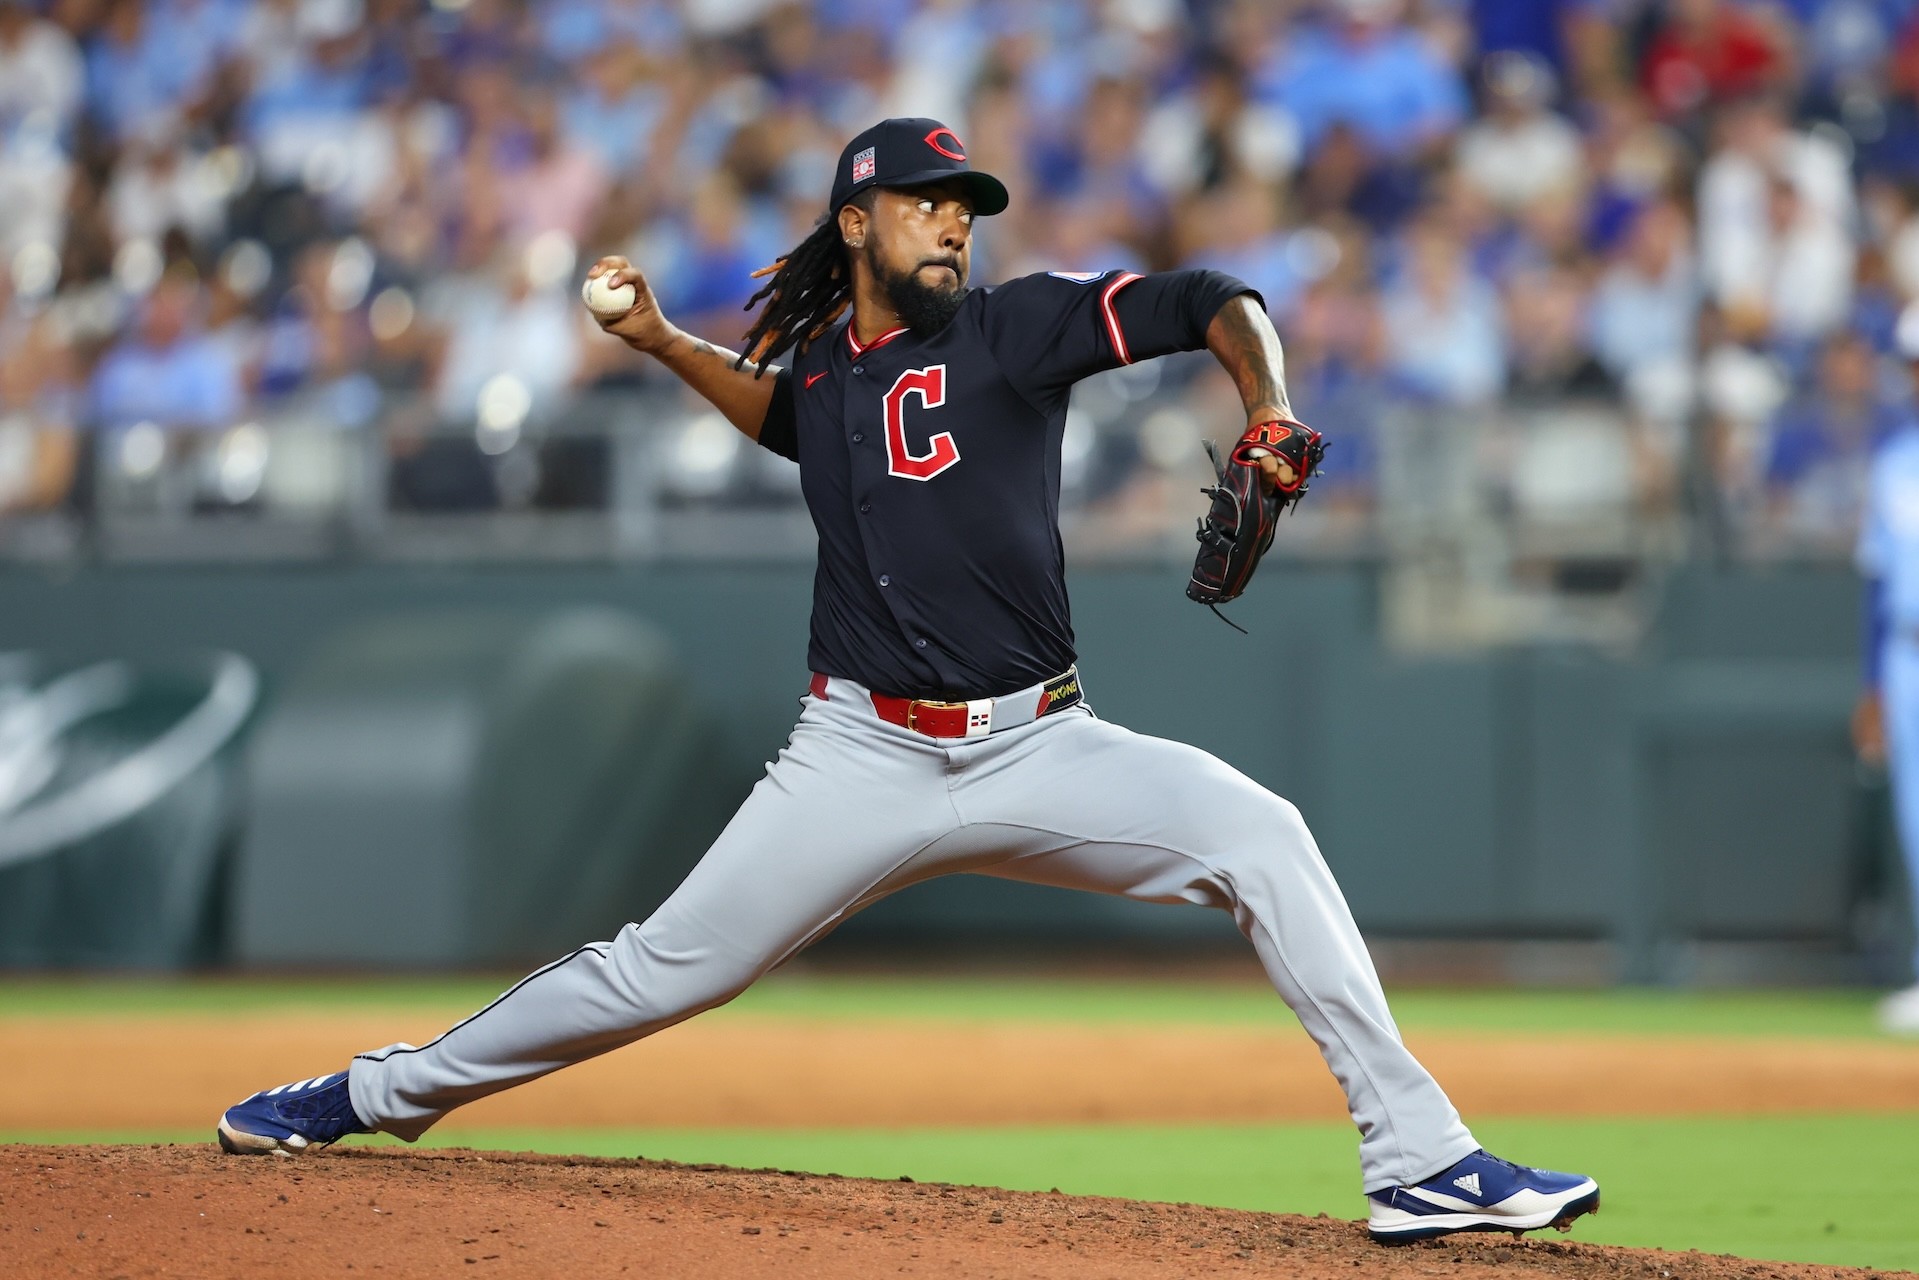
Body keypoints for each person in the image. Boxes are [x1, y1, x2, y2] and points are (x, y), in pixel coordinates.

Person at [215, 117, 1600, 1243]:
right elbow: (788, 422)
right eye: (928, 199)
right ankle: (367, 1095)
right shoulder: (823, 369)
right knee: (656, 974)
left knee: (1261, 836)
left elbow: (1207, 299)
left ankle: (1417, 1159)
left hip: (1039, 746)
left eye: (965, 203)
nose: (954, 219)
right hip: (856, 758)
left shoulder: (1014, 330)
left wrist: (1272, 406)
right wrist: (658, 346)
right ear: (856, 224)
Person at [1852, 304, 1919, 1036]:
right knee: (1915, 818)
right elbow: (1874, 580)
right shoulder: (1896, 461)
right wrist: (1871, 682)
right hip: (1906, 650)